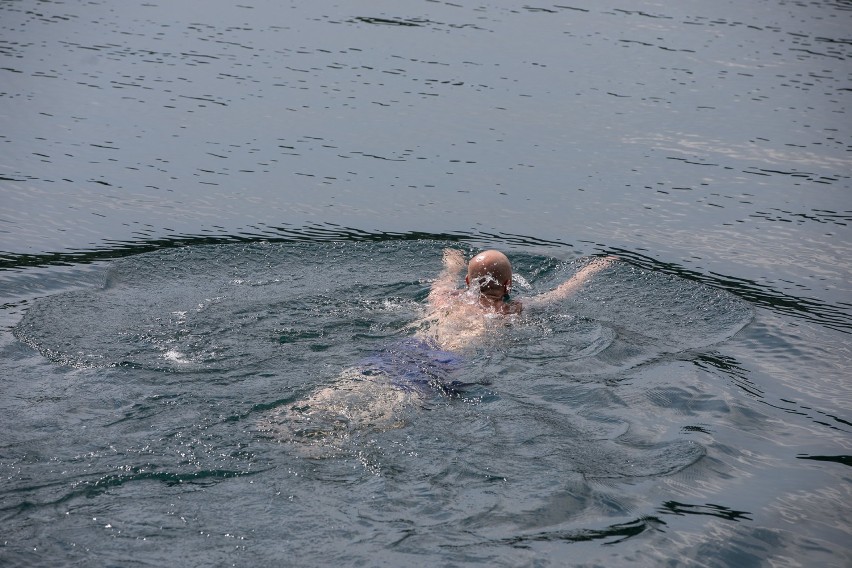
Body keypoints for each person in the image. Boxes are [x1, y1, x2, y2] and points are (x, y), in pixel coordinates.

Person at [418, 248, 615, 352]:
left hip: (419, 346)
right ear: (508, 285)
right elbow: (561, 292)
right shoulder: (510, 310)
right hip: (453, 358)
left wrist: (453, 264)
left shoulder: (446, 300)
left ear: (468, 281)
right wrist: (597, 265)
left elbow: (442, 282)